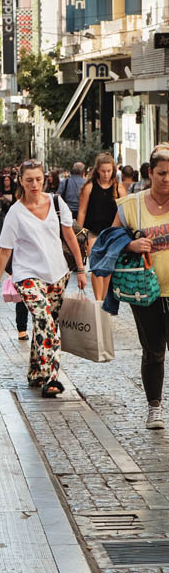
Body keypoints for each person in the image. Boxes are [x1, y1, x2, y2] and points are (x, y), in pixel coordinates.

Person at [0, 160, 87, 397]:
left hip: (57, 274)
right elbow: (4, 250)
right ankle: (51, 378)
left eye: (39, 179)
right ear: (20, 180)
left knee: (44, 324)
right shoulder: (15, 213)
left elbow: (70, 237)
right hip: (27, 275)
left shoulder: (56, 202)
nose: (34, 184)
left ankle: (34, 372)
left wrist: (81, 270)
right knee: (46, 321)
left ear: (45, 179)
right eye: (29, 180)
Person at [112, 143, 169, 429]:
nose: (167, 179)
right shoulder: (132, 205)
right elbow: (109, 242)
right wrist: (131, 244)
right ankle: (154, 408)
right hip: (145, 291)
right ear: (150, 172)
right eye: (162, 173)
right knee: (154, 351)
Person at [78, 153, 127, 300]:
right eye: (103, 171)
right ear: (97, 170)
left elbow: (125, 212)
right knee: (96, 265)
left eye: (109, 171)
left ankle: (103, 300)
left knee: (108, 268)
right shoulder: (90, 186)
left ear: (113, 170)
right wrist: (79, 233)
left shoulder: (118, 187)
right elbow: (82, 210)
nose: (106, 174)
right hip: (92, 231)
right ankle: (98, 299)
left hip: (112, 233)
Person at [1, 174, 29, 341]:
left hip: (40, 264)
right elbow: (7, 244)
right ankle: (22, 329)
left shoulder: (47, 206)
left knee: (26, 299)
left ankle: (25, 330)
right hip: (21, 261)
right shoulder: (15, 211)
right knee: (22, 298)